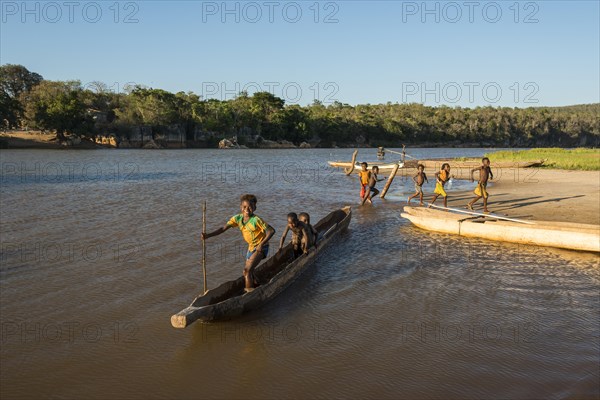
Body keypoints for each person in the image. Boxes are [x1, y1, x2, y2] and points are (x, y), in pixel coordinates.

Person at [202, 194, 275, 293]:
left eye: (250, 207)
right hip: (251, 248)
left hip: (261, 247)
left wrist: (261, 244)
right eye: (244, 207)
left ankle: (249, 293)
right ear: (241, 207)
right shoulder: (238, 219)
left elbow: (271, 231)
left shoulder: (256, 220)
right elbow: (223, 228)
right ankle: (257, 285)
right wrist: (208, 235)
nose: (247, 209)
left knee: (247, 271)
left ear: (254, 208)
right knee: (249, 271)